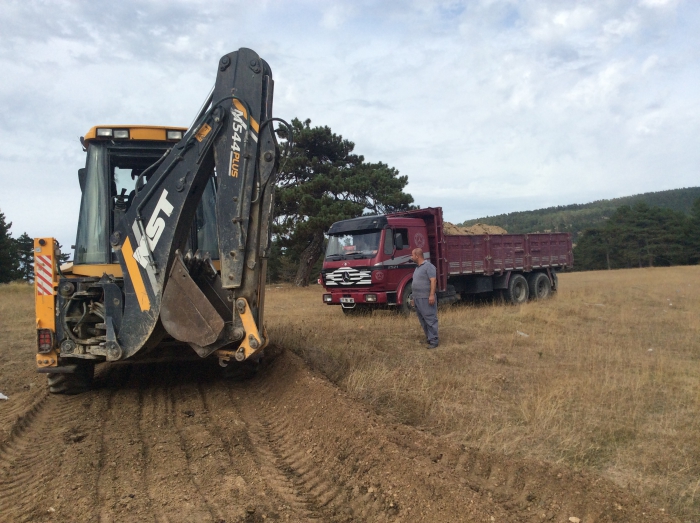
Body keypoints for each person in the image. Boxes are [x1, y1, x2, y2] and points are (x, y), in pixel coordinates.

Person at [410, 248, 439, 349]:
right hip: (418, 298)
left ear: (417, 256)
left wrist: (431, 295)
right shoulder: (417, 268)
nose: (411, 257)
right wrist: (413, 297)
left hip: (426, 298)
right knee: (422, 319)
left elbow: (433, 281)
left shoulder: (429, 267)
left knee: (430, 318)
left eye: (412, 255)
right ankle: (429, 338)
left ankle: (434, 340)